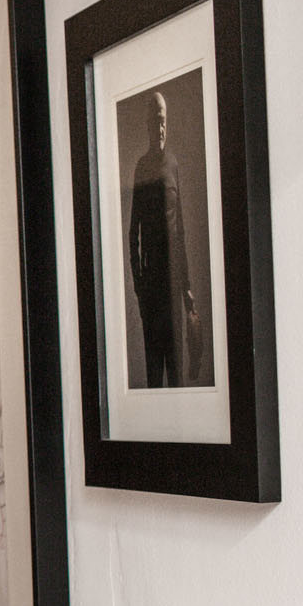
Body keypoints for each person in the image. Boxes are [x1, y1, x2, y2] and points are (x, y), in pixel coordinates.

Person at [126, 90, 194, 388]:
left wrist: (187, 288)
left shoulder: (174, 165)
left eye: (164, 120)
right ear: (148, 126)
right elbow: (133, 233)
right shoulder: (142, 168)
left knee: (177, 373)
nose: (161, 128)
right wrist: (140, 286)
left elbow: (180, 231)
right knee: (154, 376)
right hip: (151, 291)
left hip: (173, 286)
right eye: (156, 121)